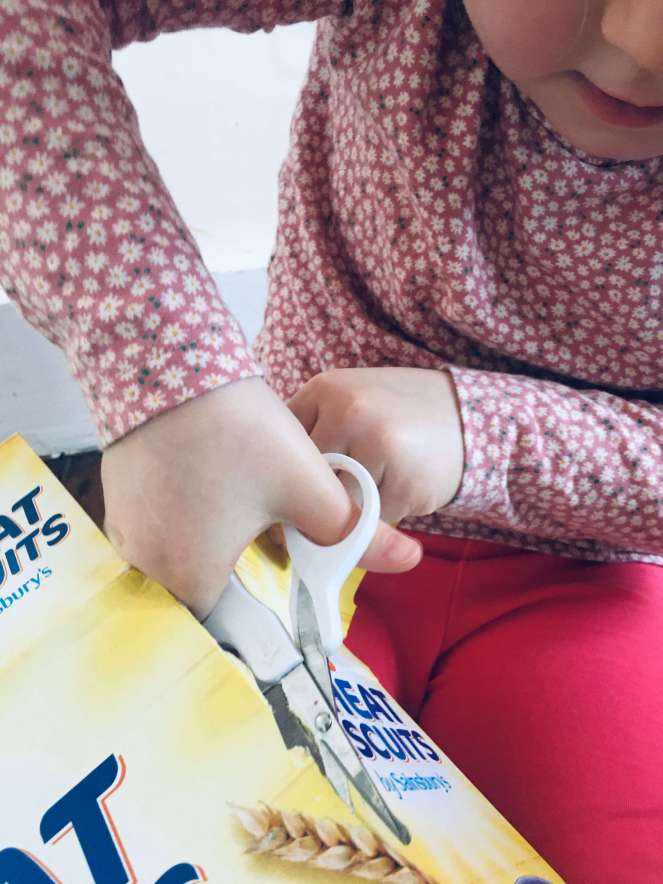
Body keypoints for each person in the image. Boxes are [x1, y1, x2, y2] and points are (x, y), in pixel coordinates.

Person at [0, 0, 661, 878]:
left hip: (589, 573)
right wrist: (163, 372)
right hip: (276, 526)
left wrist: (485, 433)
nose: (642, 44)